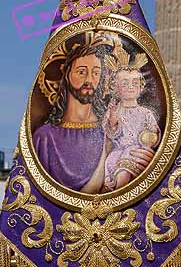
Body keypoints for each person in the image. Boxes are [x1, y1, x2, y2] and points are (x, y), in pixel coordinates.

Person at [33, 33, 154, 194]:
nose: (89, 79)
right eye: (81, 72)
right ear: (66, 76)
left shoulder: (111, 131)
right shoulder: (44, 138)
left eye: (96, 73)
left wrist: (147, 164)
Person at [102, 55, 160, 191]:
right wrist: (113, 118)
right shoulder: (114, 111)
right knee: (122, 176)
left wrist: (150, 139)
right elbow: (110, 134)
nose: (131, 87)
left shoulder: (146, 113)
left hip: (139, 154)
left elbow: (153, 135)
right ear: (115, 88)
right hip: (118, 155)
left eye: (135, 83)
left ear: (141, 87)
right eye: (124, 83)